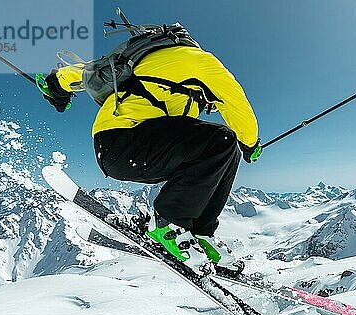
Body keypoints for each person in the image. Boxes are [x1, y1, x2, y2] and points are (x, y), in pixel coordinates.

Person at [42, 38, 261, 275]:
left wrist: (55, 85)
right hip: (125, 141)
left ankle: (201, 233)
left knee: (226, 152)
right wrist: (250, 143)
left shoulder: (145, 62)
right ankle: (169, 223)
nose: (210, 107)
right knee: (224, 140)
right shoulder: (201, 62)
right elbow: (235, 101)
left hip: (121, 150)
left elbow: (87, 72)